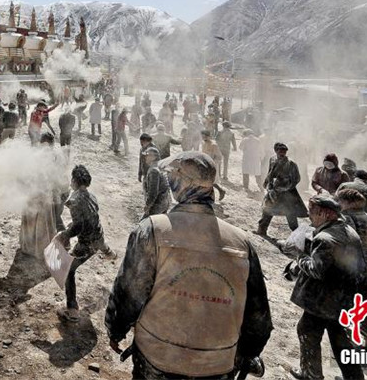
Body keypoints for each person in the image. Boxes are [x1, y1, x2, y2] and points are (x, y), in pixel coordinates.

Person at [106, 151, 272, 379]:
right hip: (217, 365)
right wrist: (245, 354)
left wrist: (115, 330)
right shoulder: (241, 242)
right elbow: (258, 316)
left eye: (172, 175)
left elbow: (129, 294)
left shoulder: (153, 230)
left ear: (180, 181)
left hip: (158, 357)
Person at [285, 195, 365, 380]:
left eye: (312, 211)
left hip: (323, 299)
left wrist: (298, 255)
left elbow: (316, 269)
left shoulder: (325, 238)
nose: (309, 215)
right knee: (339, 339)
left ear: (325, 213)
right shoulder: (348, 230)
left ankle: (311, 374)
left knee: (307, 330)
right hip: (344, 296)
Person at [54, 165, 115, 322]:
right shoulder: (91, 196)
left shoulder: (74, 200)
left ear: (74, 180)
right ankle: (109, 252)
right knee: (99, 245)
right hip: (98, 237)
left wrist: (65, 235)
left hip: (86, 244)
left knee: (68, 270)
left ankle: (72, 310)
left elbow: (79, 226)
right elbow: (89, 219)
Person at [338, 188, 367, 346]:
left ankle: (347, 339)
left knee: (347, 302)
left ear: (347, 202)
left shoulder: (347, 218)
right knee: (365, 301)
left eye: (340, 200)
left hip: (352, 267)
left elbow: (348, 243)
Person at [256, 142, 306, 238]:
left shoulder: (291, 163)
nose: (282, 154)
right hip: (273, 190)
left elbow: (296, 179)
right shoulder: (272, 159)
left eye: (284, 152)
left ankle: (298, 237)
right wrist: (268, 184)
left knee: (290, 214)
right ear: (276, 151)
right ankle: (261, 230)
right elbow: (270, 172)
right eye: (280, 151)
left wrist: (285, 188)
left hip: (287, 193)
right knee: (267, 209)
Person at [140, 146, 171, 218]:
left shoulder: (153, 170)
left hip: (157, 204)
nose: (145, 157)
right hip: (165, 202)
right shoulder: (161, 167)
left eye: (147, 155)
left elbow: (153, 192)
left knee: (143, 226)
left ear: (153, 157)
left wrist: (148, 206)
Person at [240, 129, 263, 194]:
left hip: (247, 158)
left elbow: (241, 147)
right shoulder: (258, 140)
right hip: (256, 159)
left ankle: (246, 187)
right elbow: (261, 150)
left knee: (245, 173)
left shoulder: (245, 140)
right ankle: (261, 187)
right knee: (257, 174)